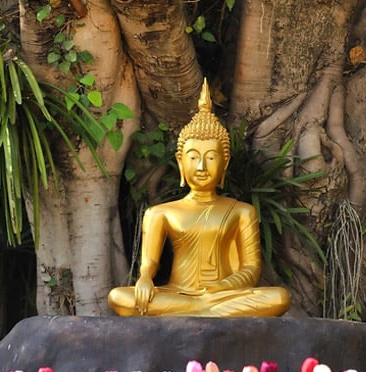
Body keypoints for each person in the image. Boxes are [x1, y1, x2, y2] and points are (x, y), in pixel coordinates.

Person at [108, 81, 291, 317]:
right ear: (180, 161)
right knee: (119, 297)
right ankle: (204, 311)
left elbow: (250, 268)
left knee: (279, 297)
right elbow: (150, 262)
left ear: (224, 163)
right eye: (193, 157)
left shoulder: (241, 212)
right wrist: (144, 279)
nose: (202, 166)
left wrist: (222, 287)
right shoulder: (161, 213)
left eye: (211, 158)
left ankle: (198, 310)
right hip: (178, 293)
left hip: (222, 294)